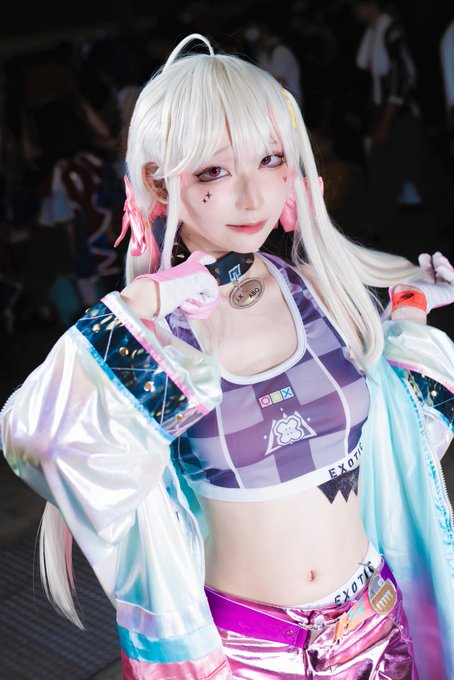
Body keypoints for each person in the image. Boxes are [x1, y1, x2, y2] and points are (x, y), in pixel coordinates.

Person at [1, 33, 454, 680]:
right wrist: (141, 303)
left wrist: (409, 307)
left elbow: (402, 432)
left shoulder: (317, 290)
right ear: (159, 182)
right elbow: (41, 437)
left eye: (270, 160)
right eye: (214, 171)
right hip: (246, 657)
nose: (252, 196)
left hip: (379, 628)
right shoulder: (156, 340)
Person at [353, 0, 454, 238]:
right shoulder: (376, 32)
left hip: (401, 116)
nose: (355, 10)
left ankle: (446, 220)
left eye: (358, 5)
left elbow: (401, 79)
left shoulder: (391, 33)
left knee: (419, 169)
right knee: (386, 168)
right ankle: (373, 227)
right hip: (388, 113)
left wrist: (386, 120)